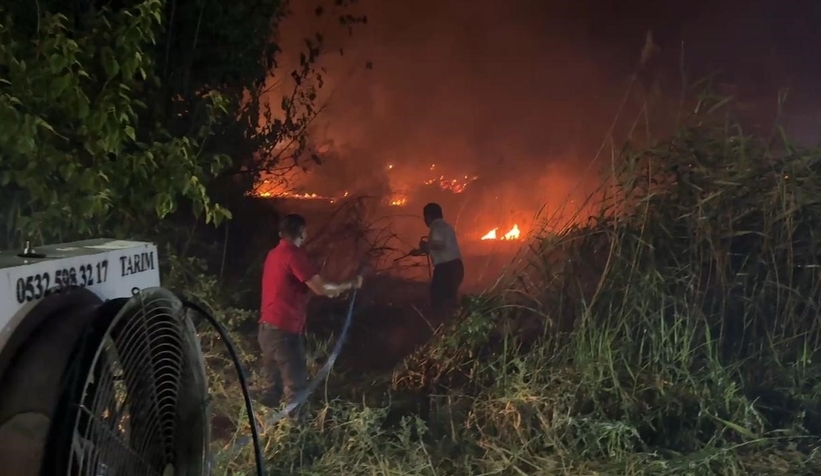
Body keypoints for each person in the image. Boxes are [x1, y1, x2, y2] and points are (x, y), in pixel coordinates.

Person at [258, 213, 363, 410]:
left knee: (272, 390)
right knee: (296, 389)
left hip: (266, 330)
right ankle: (296, 435)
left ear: (281, 232)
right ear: (303, 233)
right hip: (284, 333)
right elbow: (321, 288)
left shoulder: (273, 254)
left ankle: (262, 431)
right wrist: (350, 284)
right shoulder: (294, 255)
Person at [411, 203, 464, 312]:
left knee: (438, 301)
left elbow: (438, 244)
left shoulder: (436, 226)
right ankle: (453, 324)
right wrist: (420, 251)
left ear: (428, 217)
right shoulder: (446, 226)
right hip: (456, 267)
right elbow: (438, 246)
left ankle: (441, 325)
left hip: (446, 269)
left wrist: (426, 246)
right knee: (449, 300)